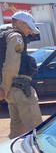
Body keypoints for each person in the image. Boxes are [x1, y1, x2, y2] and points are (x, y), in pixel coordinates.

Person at [0, 11, 43, 139]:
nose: (30, 32)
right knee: (35, 130)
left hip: (13, 91)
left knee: (17, 130)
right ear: (19, 23)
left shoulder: (4, 36)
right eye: (29, 27)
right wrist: (4, 88)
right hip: (20, 89)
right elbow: (11, 65)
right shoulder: (16, 37)